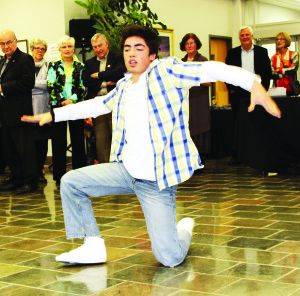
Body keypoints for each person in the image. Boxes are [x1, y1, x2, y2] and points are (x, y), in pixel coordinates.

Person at [22, 25, 281, 267]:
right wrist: (53, 115)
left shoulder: (166, 72)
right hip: (126, 172)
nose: (131, 54)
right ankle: (92, 245)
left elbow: (211, 69)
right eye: (127, 49)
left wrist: (253, 83)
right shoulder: (123, 86)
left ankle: (183, 230)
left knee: (168, 258)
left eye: (139, 48)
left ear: (152, 54)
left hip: (157, 181)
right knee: (70, 182)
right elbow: (97, 105)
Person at [225, 26, 272, 165]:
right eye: (242, 35)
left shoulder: (262, 52)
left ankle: (259, 152)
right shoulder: (232, 53)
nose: (244, 37)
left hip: (256, 91)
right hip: (238, 93)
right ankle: (236, 155)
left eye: (247, 35)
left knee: (258, 121)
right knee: (237, 123)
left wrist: (263, 89)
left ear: (252, 36)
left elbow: (267, 73)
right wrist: (232, 90)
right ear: (239, 38)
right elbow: (226, 73)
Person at [0, 30, 38, 194]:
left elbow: (28, 82)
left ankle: (31, 182)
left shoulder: (25, 59)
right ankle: (17, 179)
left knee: (25, 149)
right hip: (5, 114)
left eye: (9, 42)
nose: (6, 46)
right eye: (2, 43)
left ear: (15, 42)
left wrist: (4, 88)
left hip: (20, 112)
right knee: (9, 149)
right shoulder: (2, 61)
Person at [48, 35, 87, 186]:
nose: (67, 49)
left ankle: (80, 176)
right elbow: (51, 85)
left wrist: (73, 100)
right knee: (59, 141)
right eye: (63, 47)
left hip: (76, 106)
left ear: (74, 48)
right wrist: (62, 101)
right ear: (59, 49)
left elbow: (82, 86)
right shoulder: (53, 65)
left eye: (69, 46)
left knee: (78, 141)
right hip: (59, 106)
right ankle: (59, 177)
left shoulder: (81, 66)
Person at [83, 33, 126, 164]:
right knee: (102, 142)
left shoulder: (117, 57)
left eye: (100, 45)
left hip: (116, 105)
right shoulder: (89, 63)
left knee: (118, 139)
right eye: (95, 47)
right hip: (98, 106)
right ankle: (105, 172)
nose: (98, 49)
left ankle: (121, 170)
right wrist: (105, 82)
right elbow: (86, 81)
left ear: (106, 44)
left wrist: (98, 75)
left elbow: (119, 73)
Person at [180, 33, 211, 162]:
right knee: (187, 127)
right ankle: (188, 159)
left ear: (197, 44)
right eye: (187, 43)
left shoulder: (203, 61)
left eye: (192, 43)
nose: (189, 46)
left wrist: (193, 77)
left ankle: (199, 159)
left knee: (199, 126)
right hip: (185, 99)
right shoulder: (181, 62)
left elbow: (208, 82)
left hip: (199, 99)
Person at [30, 38, 51, 183]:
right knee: (30, 143)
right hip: (28, 109)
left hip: (43, 109)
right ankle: (31, 172)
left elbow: (49, 84)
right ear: (31, 49)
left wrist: (30, 84)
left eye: (42, 49)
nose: (39, 51)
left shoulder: (49, 65)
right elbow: (22, 84)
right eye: (37, 48)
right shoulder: (25, 65)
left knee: (42, 142)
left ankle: (40, 170)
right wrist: (39, 84)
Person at [271, 32, 299, 96]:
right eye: (277, 39)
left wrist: (278, 70)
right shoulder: (274, 57)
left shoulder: (294, 54)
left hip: (291, 88)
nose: (278, 41)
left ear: (286, 41)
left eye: (281, 39)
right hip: (277, 88)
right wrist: (286, 70)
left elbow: (293, 70)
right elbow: (271, 72)